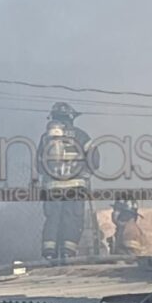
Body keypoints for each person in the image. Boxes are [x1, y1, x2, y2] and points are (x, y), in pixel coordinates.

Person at [38, 103, 99, 260]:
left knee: (53, 218)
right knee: (72, 218)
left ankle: (49, 251)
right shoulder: (81, 135)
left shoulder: (45, 138)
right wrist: (86, 173)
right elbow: (94, 159)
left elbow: (38, 165)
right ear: (71, 118)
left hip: (52, 188)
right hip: (76, 187)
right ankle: (68, 252)